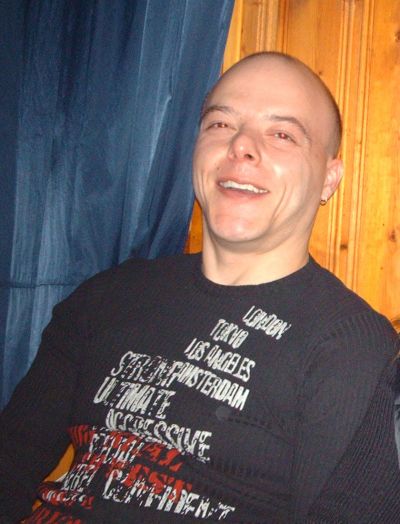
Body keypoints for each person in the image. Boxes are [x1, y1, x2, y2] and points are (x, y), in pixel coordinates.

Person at [0, 52, 399, 523]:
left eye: (282, 134)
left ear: (329, 179)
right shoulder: (107, 296)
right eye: (220, 124)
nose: (241, 146)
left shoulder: (353, 347)